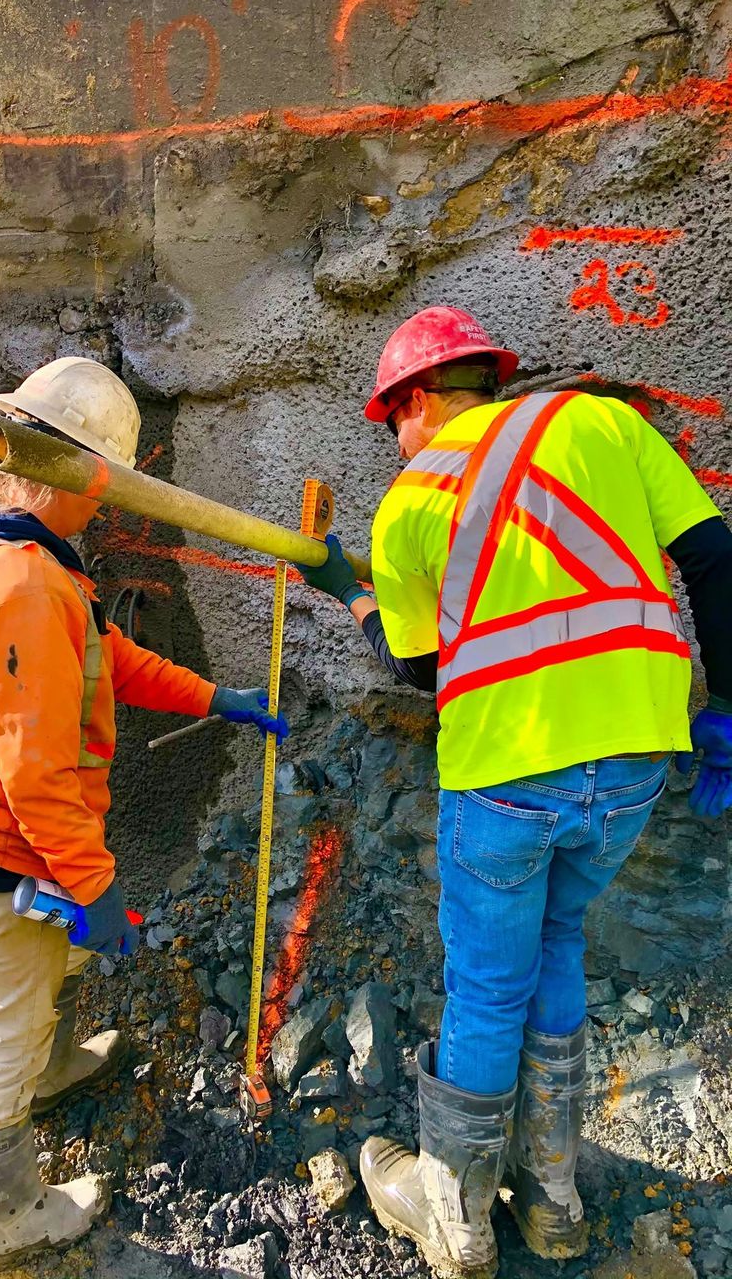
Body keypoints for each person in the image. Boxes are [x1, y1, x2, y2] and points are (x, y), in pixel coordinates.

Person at [294, 307, 732, 1278]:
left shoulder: (411, 499)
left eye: (390, 419)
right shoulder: (601, 422)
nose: (393, 441)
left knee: (489, 986)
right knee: (558, 942)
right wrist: (730, 704)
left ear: (417, 399)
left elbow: (418, 668)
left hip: (505, 777)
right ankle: (553, 1199)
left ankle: (456, 1217)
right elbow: (713, 557)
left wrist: (348, 591)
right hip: (633, 765)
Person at [0, 357, 288, 1270]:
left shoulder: (29, 566)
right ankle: (7, 1218)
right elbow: (36, 771)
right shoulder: (27, 586)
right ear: (75, 476)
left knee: (55, 964)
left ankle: (53, 1070)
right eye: (107, 484)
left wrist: (215, 698)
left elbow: (108, 659)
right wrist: (94, 886)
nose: (109, 504)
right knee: (8, 1029)